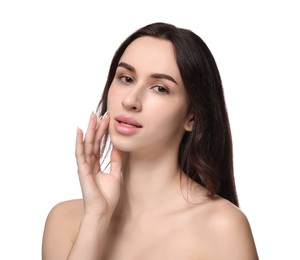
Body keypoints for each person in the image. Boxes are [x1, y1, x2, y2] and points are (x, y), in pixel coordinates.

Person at [42, 22, 259, 259]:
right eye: (126, 78)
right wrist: (96, 216)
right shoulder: (65, 220)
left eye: (159, 88)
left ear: (192, 116)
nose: (131, 100)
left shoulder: (223, 227)